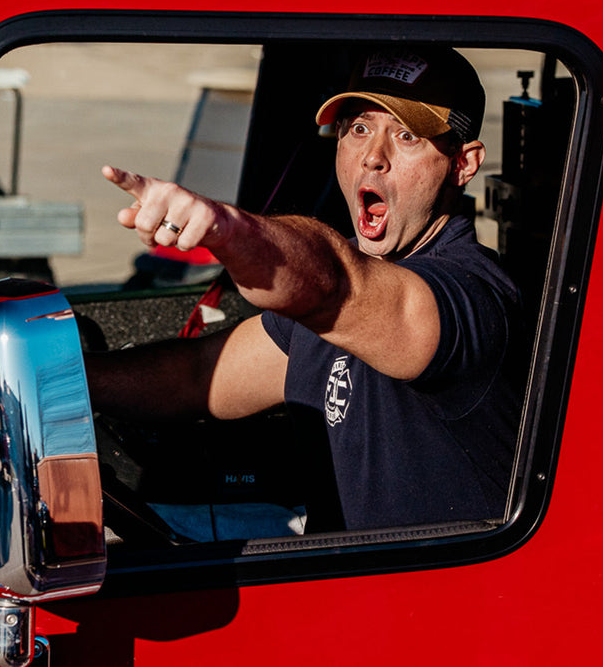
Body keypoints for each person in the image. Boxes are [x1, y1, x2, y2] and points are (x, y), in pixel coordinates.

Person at [91, 47, 522, 531]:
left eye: (406, 136)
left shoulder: (473, 298)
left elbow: (337, 286)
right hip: (334, 585)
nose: (372, 157)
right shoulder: (330, 305)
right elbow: (197, 376)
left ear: (464, 164)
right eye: (358, 129)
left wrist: (225, 228)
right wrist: (68, 385)